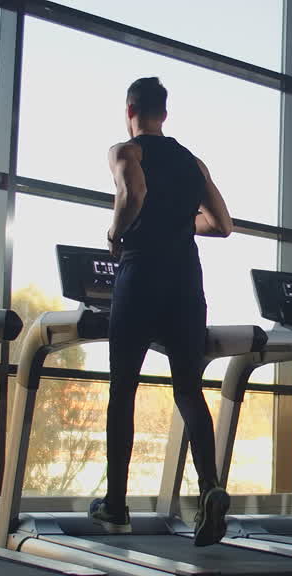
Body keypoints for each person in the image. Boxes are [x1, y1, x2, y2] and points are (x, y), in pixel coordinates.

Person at [89, 77, 234, 547]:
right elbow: (222, 224)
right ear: (165, 114)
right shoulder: (194, 162)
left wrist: (115, 233)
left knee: (124, 388)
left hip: (141, 274)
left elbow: (134, 195)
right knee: (189, 390)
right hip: (187, 280)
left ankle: (115, 505)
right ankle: (210, 487)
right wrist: (179, 221)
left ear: (129, 108)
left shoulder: (126, 151)